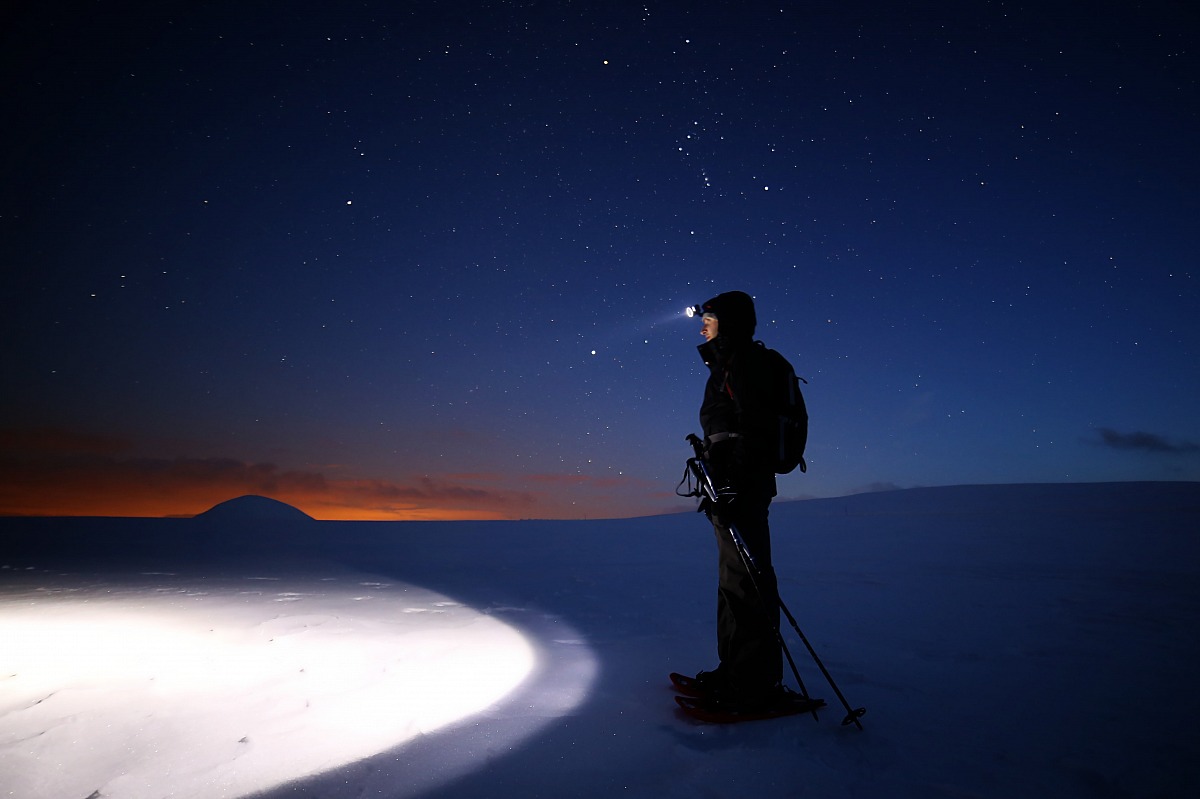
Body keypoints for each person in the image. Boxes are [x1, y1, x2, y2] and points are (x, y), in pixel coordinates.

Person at [689, 291, 783, 709]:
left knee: (747, 583)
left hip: (739, 487)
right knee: (733, 582)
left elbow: (756, 429)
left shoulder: (744, 362)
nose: (702, 324)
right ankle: (735, 673)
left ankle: (753, 685)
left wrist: (733, 483)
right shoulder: (728, 363)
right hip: (728, 486)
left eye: (709, 317)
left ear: (729, 322)